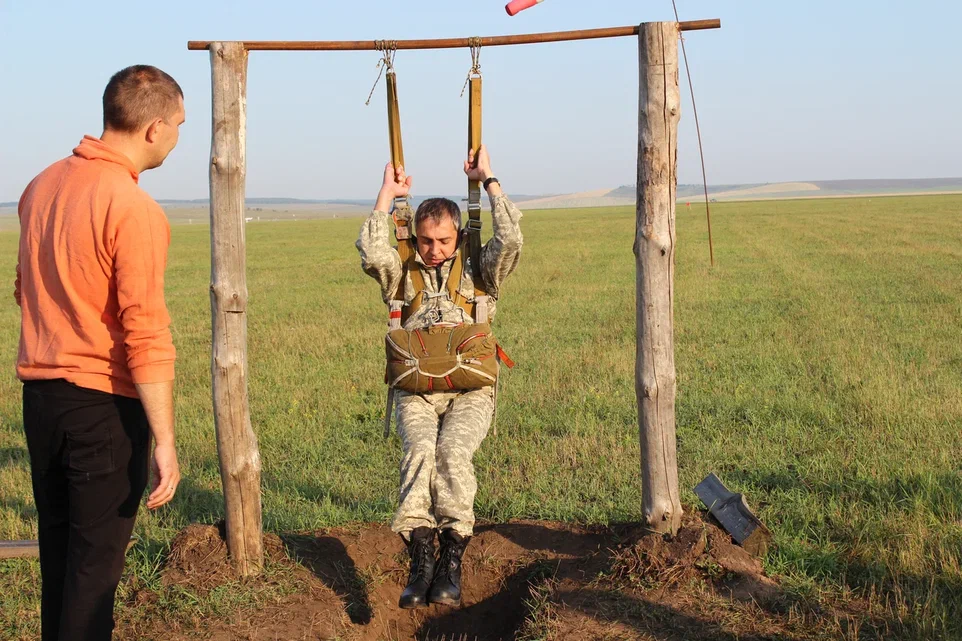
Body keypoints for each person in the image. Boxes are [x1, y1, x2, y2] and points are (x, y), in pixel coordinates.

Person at [14, 65, 185, 640]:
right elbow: (145, 334)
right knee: (93, 577)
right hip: (102, 410)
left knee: (60, 565)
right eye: (180, 125)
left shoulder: (40, 186)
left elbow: (23, 289)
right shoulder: (133, 208)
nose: (179, 138)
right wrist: (164, 439)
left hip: (40, 402)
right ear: (155, 128)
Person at [357, 145, 523, 608]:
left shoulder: (479, 271)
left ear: (458, 238)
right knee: (419, 452)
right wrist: (386, 195)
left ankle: (452, 557)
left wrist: (488, 179)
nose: (434, 251)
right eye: (426, 241)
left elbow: (511, 241)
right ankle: (420, 561)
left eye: (444, 241)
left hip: (471, 390)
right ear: (416, 238)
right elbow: (372, 250)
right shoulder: (402, 275)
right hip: (416, 391)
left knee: (452, 453)